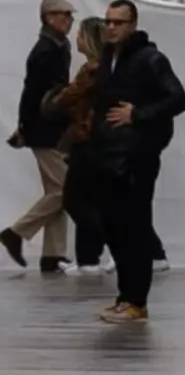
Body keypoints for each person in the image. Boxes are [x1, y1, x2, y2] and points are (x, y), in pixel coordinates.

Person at [91, 0, 185, 324]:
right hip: (109, 154)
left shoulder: (149, 59)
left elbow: (177, 98)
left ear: (132, 25)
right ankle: (124, 296)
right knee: (114, 227)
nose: (112, 28)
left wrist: (139, 114)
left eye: (118, 22)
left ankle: (137, 300)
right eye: (108, 22)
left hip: (137, 156)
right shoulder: (108, 58)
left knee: (135, 227)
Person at [4, 0, 76, 271]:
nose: (67, 20)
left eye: (70, 15)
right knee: (67, 188)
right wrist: (25, 126)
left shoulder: (57, 46)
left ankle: (53, 255)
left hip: (50, 128)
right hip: (44, 129)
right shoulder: (47, 50)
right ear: (48, 18)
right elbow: (33, 92)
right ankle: (15, 233)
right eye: (62, 15)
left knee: (56, 190)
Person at [44, 18, 112, 280]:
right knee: (87, 198)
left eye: (81, 35)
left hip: (88, 139)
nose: (77, 38)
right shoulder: (101, 69)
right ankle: (88, 260)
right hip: (88, 138)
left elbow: (66, 99)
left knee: (74, 198)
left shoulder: (92, 71)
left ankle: (108, 239)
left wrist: (52, 101)